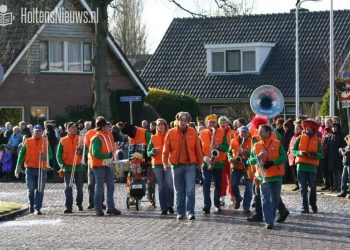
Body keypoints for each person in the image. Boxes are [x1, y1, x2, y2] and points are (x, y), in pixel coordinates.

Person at [163, 111, 203, 220]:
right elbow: (166, 150)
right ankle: (180, 212)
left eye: (185, 120)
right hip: (176, 166)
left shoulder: (193, 132)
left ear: (188, 121)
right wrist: (165, 163)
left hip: (190, 165)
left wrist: (200, 163)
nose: (183, 122)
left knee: (190, 190)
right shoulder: (171, 132)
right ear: (178, 120)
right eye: (181, 120)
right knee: (179, 191)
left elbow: (198, 149)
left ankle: (190, 212)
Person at [249, 124, 287, 229]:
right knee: (265, 199)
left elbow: (284, 157)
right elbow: (250, 161)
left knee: (274, 200)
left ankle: (272, 218)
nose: (259, 134)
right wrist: (258, 157)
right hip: (263, 177)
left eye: (261, 132)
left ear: (268, 132)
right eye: (258, 131)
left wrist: (273, 162)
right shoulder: (256, 145)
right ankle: (268, 221)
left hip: (276, 176)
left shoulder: (277, 143)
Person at [15, 125, 53, 214]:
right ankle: (31, 205)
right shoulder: (27, 141)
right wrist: (18, 165)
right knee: (30, 188)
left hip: (42, 169)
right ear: (33, 132)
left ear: (42, 132)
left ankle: (37, 208)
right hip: (30, 168)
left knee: (40, 189)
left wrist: (45, 157)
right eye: (36, 131)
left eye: (40, 131)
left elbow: (51, 155)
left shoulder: (45, 142)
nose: (38, 133)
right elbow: (21, 154)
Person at [90, 117, 121, 216]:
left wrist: (113, 154)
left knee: (111, 186)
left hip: (108, 164)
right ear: (103, 127)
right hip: (99, 166)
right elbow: (95, 153)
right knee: (99, 187)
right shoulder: (97, 138)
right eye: (107, 126)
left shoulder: (107, 136)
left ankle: (110, 207)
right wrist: (108, 155)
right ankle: (98, 209)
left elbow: (110, 149)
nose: (109, 127)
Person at [200, 114, 228, 214]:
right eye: (210, 122)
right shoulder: (202, 133)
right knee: (206, 184)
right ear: (207, 123)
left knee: (218, 185)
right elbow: (198, 149)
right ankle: (207, 205)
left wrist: (219, 146)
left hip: (218, 163)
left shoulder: (221, 132)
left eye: (213, 122)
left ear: (216, 123)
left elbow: (226, 148)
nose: (211, 124)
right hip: (206, 163)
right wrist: (204, 157)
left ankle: (217, 204)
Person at [292, 119, 322, 213]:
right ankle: (304, 207)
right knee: (302, 187)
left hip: (312, 166)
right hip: (300, 166)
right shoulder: (299, 138)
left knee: (313, 187)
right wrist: (299, 152)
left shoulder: (317, 139)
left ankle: (313, 203)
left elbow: (320, 154)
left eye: (309, 126)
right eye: (306, 126)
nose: (307, 128)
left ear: (313, 128)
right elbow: (294, 150)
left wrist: (313, 155)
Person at [147, 118, 174, 215]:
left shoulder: (170, 136)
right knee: (161, 187)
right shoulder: (153, 137)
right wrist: (152, 152)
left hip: (168, 164)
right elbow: (148, 152)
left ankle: (170, 205)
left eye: (162, 124)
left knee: (169, 185)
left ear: (165, 126)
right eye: (158, 125)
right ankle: (163, 208)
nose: (160, 126)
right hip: (157, 165)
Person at [56, 122, 85, 213]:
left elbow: (86, 150)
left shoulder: (80, 139)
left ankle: (79, 203)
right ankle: (68, 207)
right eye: (72, 128)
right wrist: (61, 164)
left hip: (78, 166)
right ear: (68, 129)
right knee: (68, 187)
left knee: (79, 187)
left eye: (75, 127)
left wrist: (81, 151)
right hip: (67, 167)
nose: (74, 129)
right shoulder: (63, 140)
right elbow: (58, 154)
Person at [228, 126, 253, 213]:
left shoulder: (252, 141)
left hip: (248, 167)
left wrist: (246, 152)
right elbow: (229, 152)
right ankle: (238, 198)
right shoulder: (233, 140)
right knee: (233, 185)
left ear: (248, 133)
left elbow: (254, 153)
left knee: (249, 188)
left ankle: (246, 206)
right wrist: (230, 158)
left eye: (245, 132)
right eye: (242, 132)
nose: (243, 134)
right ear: (239, 132)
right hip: (236, 166)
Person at [218, 116, 235, 206]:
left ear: (227, 123)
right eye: (220, 123)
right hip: (221, 158)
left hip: (231, 158)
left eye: (224, 122)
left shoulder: (233, 133)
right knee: (222, 178)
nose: (222, 124)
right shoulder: (217, 133)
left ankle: (232, 196)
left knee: (232, 178)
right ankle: (222, 197)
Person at [287, 123, 302, 191]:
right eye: (295, 129)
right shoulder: (293, 137)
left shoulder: (301, 137)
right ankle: (297, 184)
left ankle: (301, 185)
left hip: (297, 157)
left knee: (298, 173)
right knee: (294, 173)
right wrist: (288, 152)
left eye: (297, 129)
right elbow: (290, 145)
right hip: (291, 157)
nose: (295, 130)